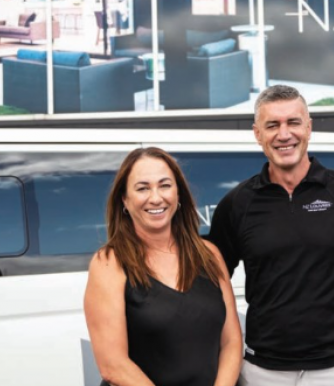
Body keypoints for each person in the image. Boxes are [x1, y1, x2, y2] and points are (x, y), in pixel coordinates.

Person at [209, 85, 334, 385]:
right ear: (257, 134)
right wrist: (232, 359)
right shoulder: (237, 204)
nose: (284, 134)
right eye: (272, 125)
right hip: (263, 372)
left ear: (309, 127)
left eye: (293, 122)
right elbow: (211, 289)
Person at [84, 147, 242, 386]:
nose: (156, 197)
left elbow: (231, 342)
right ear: (125, 200)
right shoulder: (109, 263)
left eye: (165, 185)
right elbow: (113, 365)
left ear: (178, 194)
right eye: (142, 188)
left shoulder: (209, 254)